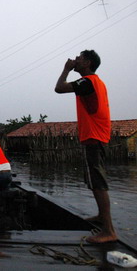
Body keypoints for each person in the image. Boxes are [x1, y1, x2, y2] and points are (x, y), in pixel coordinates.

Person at [55, 50, 117, 244]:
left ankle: (108, 231)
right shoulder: (93, 82)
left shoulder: (88, 81)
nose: (76, 59)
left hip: (94, 136)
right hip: (97, 136)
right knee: (95, 179)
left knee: (98, 182)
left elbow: (59, 88)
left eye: (80, 58)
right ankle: (101, 217)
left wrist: (65, 69)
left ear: (88, 63)